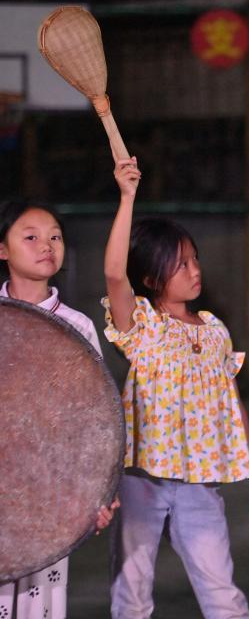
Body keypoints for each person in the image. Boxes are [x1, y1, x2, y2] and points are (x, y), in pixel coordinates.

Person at [103, 157, 249, 619]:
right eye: (180, 265)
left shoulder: (216, 330)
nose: (194, 270)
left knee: (223, 595)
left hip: (200, 484)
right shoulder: (143, 328)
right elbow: (115, 274)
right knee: (132, 594)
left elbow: (235, 408)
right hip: (141, 480)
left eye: (194, 258)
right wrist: (127, 197)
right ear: (151, 279)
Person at [0, 198, 118, 619]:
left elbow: (94, 420)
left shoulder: (77, 326)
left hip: (48, 490)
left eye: (55, 237)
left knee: (39, 603)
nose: (46, 245)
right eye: (30, 237)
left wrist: (96, 494)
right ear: (2, 249)